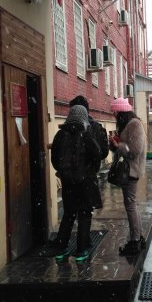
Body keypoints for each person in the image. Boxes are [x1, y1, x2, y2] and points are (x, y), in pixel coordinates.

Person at [50, 105, 102, 263]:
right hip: (85, 183)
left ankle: (61, 249)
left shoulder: (60, 134)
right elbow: (97, 154)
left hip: (67, 184)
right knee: (84, 215)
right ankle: (81, 250)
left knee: (68, 215)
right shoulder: (86, 134)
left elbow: (55, 159)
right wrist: (89, 171)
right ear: (84, 116)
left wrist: (64, 173)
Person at [109, 97, 147, 256]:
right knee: (132, 205)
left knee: (130, 205)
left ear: (121, 112)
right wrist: (115, 145)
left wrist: (119, 145)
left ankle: (135, 242)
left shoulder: (134, 124)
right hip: (129, 169)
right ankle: (139, 238)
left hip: (131, 170)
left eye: (115, 112)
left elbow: (135, 150)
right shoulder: (128, 124)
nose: (114, 115)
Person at [69, 95, 109, 162]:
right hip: (93, 167)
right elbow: (104, 152)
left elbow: (56, 159)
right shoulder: (98, 127)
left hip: (68, 168)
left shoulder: (66, 129)